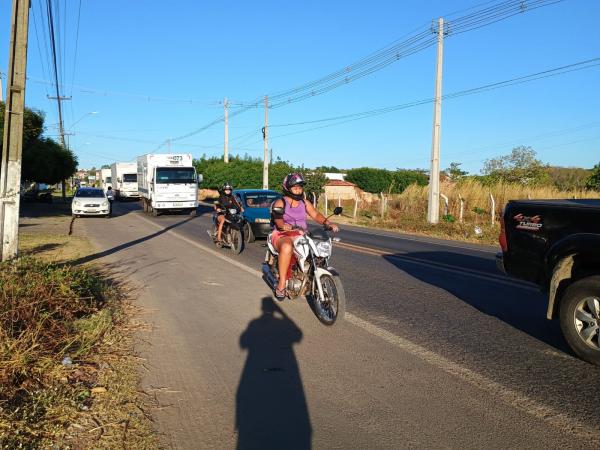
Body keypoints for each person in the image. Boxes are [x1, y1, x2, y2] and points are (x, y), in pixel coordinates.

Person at [271, 172, 339, 300]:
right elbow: (278, 219)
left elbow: (315, 214)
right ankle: (281, 285)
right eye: (295, 187)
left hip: (301, 234)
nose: (298, 190)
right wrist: (284, 226)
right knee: (286, 246)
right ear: (288, 188)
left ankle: (311, 276)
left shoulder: (304, 202)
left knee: (317, 248)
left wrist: (328, 223)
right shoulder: (280, 202)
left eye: (300, 187)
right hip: (282, 234)